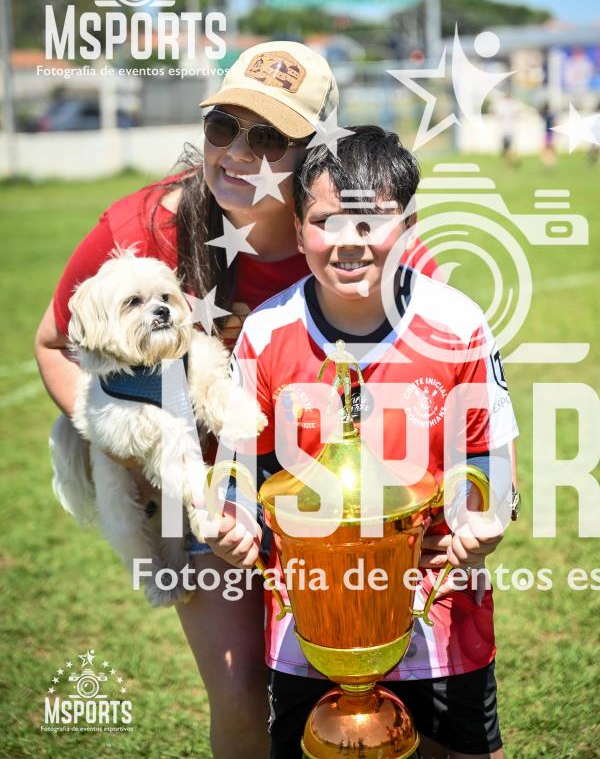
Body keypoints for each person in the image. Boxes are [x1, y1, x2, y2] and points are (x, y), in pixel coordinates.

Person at [35, 45, 437, 758]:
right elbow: (53, 342)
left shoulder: (357, 235)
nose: (239, 152)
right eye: (223, 126)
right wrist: (120, 440)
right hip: (202, 495)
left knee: (380, 689)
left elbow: (436, 357)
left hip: (330, 495)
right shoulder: (143, 225)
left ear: (318, 151)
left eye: (271, 137)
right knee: (243, 696)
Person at [208, 126, 518, 759]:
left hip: (441, 609)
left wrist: (482, 522)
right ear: (299, 233)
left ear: (407, 227)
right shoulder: (266, 333)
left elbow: (490, 459)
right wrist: (232, 520)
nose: (349, 240)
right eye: (326, 221)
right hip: (309, 624)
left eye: (371, 221)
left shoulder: (457, 324)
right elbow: (236, 470)